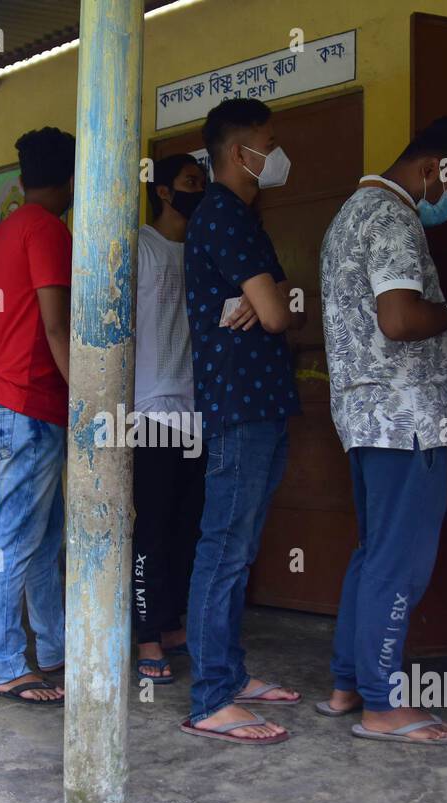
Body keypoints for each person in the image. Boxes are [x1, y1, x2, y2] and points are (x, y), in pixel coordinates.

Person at [318, 117, 447, 745]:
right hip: (407, 419)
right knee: (400, 563)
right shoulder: (394, 219)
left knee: (372, 555)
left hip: (365, 419)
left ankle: (347, 683)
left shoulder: (347, 215)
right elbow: (398, 318)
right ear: (432, 168)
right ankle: (384, 704)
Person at [180, 98, 304, 745]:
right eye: (269, 143)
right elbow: (280, 313)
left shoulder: (243, 218)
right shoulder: (222, 215)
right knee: (224, 548)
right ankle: (210, 698)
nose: (276, 155)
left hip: (261, 402)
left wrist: (270, 303)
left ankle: (229, 675)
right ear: (239, 152)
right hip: (239, 406)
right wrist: (271, 304)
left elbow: (282, 305)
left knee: (241, 548)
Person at [0, 126, 75, 705]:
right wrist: (88, 399)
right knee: (17, 536)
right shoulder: (47, 230)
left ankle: (55, 649)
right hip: (30, 402)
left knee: (41, 534)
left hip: (2, 397)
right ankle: (8, 662)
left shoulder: (2, 233)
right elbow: (56, 325)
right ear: (69, 179)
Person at [131, 153, 207, 685]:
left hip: (198, 406)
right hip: (150, 404)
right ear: (162, 191)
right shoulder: (141, 246)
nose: (196, 190)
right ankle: (146, 632)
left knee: (188, 523)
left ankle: (173, 621)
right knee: (152, 527)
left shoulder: (202, 247)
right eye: (188, 182)